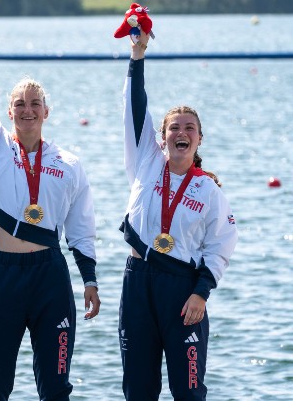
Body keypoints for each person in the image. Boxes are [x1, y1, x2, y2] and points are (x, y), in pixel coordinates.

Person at [0, 11, 101, 401]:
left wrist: (90, 279)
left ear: (46, 111)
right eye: (20, 103)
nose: (28, 109)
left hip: (50, 276)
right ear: (9, 111)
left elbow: (81, 226)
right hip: (3, 275)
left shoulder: (69, 163)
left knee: (55, 389)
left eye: (35, 103)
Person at [118, 31, 237, 400]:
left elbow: (221, 246)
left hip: (182, 291)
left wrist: (201, 293)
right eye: (174, 127)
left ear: (200, 139)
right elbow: (135, 109)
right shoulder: (147, 162)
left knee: (187, 391)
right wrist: (137, 57)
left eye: (189, 128)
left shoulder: (209, 191)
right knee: (139, 390)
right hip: (137, 283)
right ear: (162, 136)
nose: (180, 133)